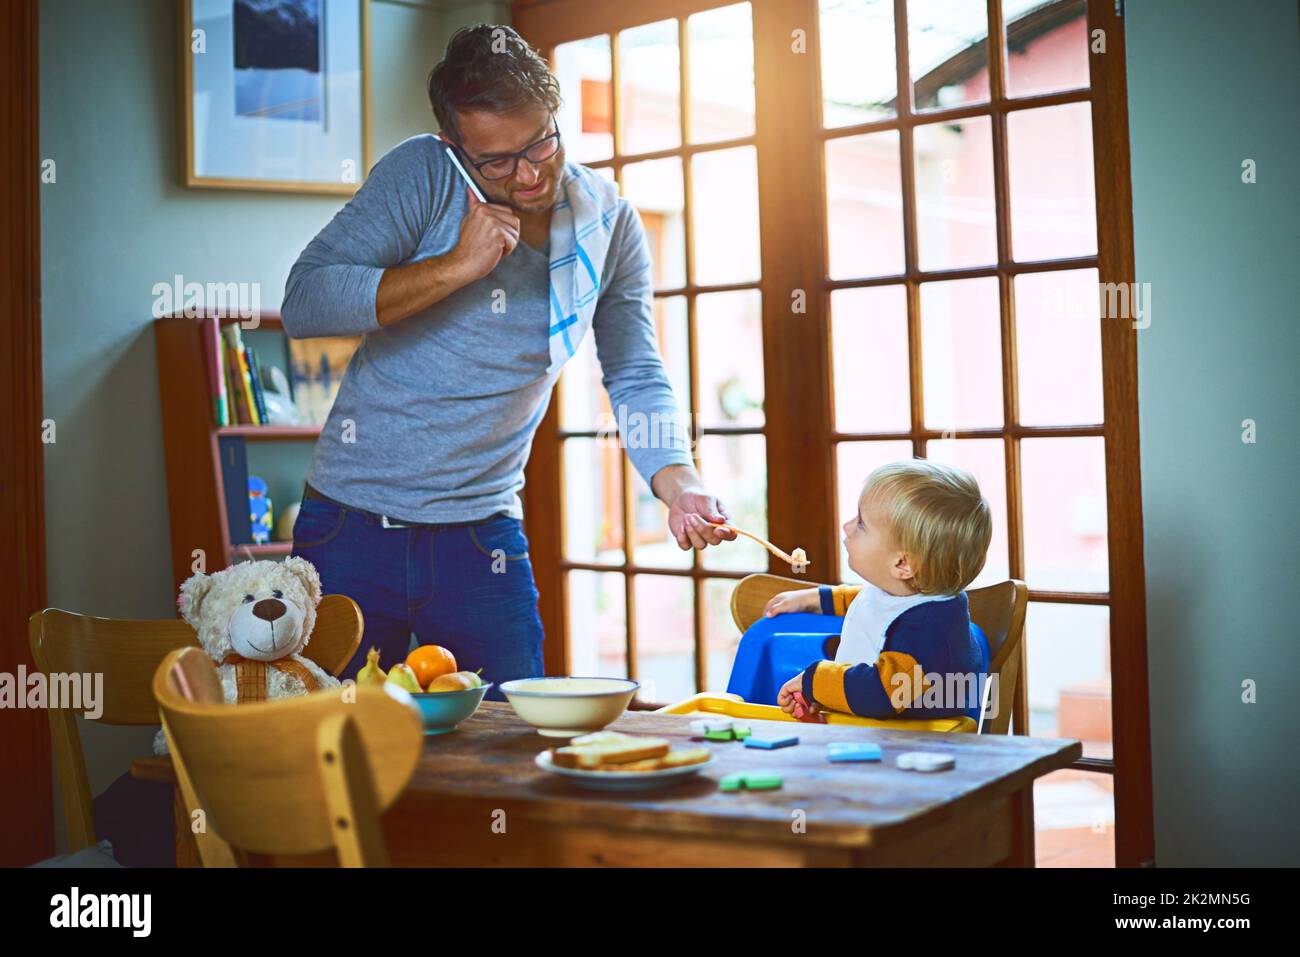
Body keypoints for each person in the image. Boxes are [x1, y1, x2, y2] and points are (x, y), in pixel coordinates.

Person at [281, 25, 734, 697]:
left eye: (541, 144)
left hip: (481, 532)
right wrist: (455, 266)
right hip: (352, 523)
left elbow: (634, 369)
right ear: (457, 149)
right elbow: (306, 301)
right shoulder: (425, 176)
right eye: (496, 160)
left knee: (515, 743)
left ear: (556, 116)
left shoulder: (607, 224)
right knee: (336, 744)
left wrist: (680, 483)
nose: (527, 174)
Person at [769, 460, 992, 720]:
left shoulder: (928, 632)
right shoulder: (911, 593)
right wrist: (814, 599)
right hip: (875, 734)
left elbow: (880, 694)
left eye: (861, 524)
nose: (847, 526)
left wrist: (815, 682)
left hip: (909, 747)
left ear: (902, 563)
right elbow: (873, 602)